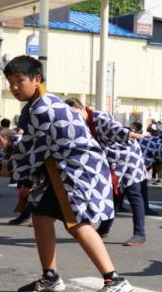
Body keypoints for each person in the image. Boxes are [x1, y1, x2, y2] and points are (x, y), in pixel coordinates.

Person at [0, 56, 133, 292]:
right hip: (63, 172)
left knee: (75, 222)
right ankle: (50, 275)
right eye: (11, 82)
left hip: (76, 173)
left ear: (37, 80)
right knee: (41, 218)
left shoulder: (43, 108)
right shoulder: (42, 103)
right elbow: (34, 146)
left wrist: (12, 167)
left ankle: (114, 279)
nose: (14, 87)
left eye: (20, 81)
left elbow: (34, 148)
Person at [64, 99, 149, 246]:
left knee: (134, 194)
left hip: (128, 158)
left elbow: (119, 130)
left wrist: (138, 136)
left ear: (80, 108)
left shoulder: (98, 117)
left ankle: (139, 234)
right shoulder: (82, 123)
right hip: (113, 161)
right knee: (112, 196)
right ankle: (104, 230)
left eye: (73, 112)